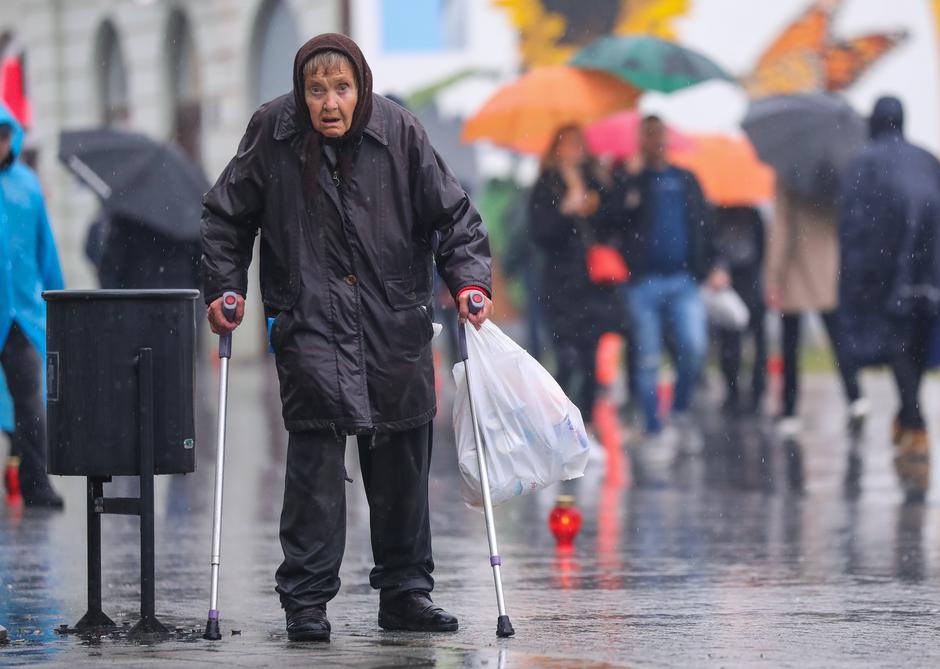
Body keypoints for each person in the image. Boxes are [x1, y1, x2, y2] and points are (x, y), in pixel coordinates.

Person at [201, 34, 492, 642]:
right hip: (311, 322)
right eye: (316, 89)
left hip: (394, 322)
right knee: (313, 470)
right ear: (300, 92)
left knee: (403, 465)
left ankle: (406, 594)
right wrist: (226, 288)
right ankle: (305, 603)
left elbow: (454, 216)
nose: (328, 102)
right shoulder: (272, 133)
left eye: (340, 88)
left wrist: (469, 281)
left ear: (360, 86)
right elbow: (226, 215)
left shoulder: (399, 133)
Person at [610, 115, 728, 463]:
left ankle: (677, 410)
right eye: (648, 137)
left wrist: (715, 264)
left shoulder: (686, 180)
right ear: (640, 142)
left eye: (659, 136)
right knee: (647, 359)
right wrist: (628, 181)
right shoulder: (632, 180)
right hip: (643, 282)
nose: (655, 143)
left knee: (693, 347)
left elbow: (705, 226)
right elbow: (611, 219)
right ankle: (652, 425)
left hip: (683, 280)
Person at [839, 96, 940, 502]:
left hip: (885, 271)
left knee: (899, 343)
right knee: (913, 342)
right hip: (927, 270)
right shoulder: (926, 159)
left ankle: (913, 419)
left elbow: (854, 223)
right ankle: (909, 416)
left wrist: (857, 276)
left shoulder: (864, 163)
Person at [529, 125, 624, 436]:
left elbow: (616, 220)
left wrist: (595, 203)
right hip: (559, 284)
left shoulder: (597, 181)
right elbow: (540, 235)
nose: (574, 150)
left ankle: (589, 424)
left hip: (592, 284)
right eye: (567, 144)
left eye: (578, 143)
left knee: (589, 355)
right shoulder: (546, 186)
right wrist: (566, 209)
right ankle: (560, 422)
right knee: (565, 355)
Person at [0, 103, 65, 508]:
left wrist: (58, 302)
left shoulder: (27, 185)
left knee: (30, 404)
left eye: (4, 135)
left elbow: (46, 250)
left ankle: (36, 482)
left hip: (20, 314)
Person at [766, 185, 865, 438]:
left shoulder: (788, 180)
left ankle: (790, 411)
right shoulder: (832, 179)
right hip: (827, 266)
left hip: (795, 267)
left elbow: (781, 229)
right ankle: (856, 397)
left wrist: (772, 276)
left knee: (791, 345)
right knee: (838, 336)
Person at [714, 206, 767, 415]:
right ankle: (733, 389)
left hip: (749, 278)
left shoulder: (753, 214)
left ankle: (755, 389)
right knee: (730, 339)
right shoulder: (718, 215)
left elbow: (762, 248)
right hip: (730, 280)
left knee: (754, 339)